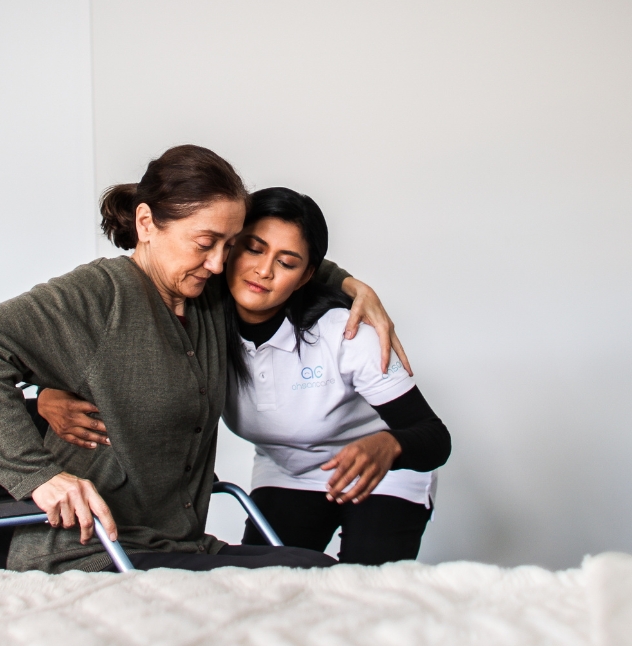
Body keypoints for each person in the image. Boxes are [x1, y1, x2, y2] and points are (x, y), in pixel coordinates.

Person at [0, 145, 405, 572]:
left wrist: (352, 286)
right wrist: (39, 476)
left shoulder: (207, 293)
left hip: (180, 546)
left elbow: (287, 262)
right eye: (205, 244)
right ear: (146, 224)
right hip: (93, 552)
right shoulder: (98, 296)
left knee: (317, 573)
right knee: (310, 577)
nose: (221, 264)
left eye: (231, 244)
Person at [45, 187, 451, 565]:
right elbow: (107, 352)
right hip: (288, 473)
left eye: (286, 262)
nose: (264, 271)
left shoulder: (346, 332)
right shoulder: (200, 321)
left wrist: (388, 444)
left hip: (381, 474)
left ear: (307, 275)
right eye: (253, 249)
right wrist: (47, 393)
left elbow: (434, 437)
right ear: (228, 249)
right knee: (266, 590)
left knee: (370, 592)